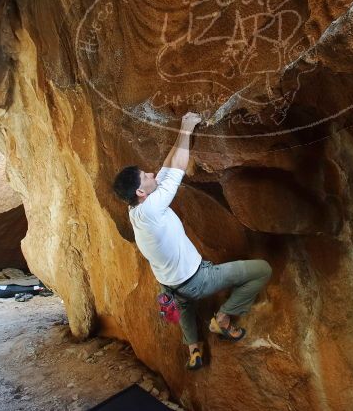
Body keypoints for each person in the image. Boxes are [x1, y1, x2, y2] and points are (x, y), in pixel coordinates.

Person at [113, 112, 272, 370]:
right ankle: (222, 319)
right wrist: (187, 128)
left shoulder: (136, 209)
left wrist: (181, 133)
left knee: (185, 305)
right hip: (196, 280)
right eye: (146, 176)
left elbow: (165, 170)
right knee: (261, 270)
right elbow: (178, 169)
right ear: (141, 192)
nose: (152, 173)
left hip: (170, 284)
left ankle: (194, 351)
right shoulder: (153, 208)